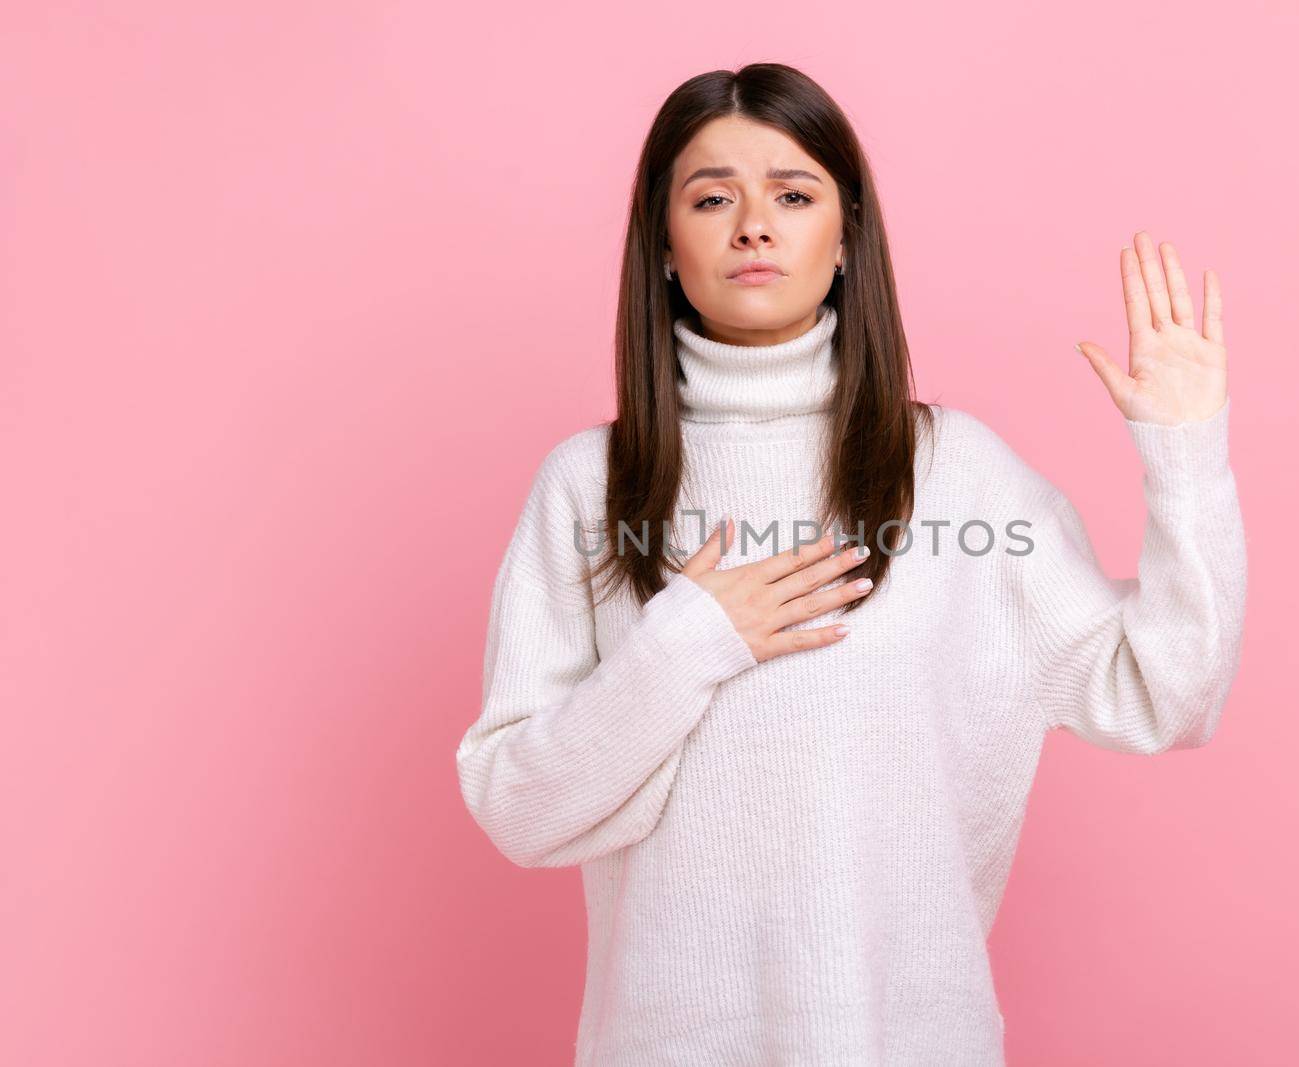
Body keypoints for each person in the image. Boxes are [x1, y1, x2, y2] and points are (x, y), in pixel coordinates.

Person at [455, 62, 1246, 1065]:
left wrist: (1185, 458)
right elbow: (519, 807)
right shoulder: (589, 485)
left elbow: (1166, 693)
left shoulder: (952, 471)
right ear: (661, 244)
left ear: (846, 239)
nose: (753, 225)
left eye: (792, 194)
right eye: (711, 197)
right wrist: (691, 640)